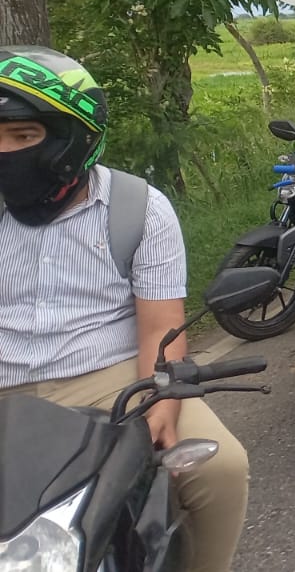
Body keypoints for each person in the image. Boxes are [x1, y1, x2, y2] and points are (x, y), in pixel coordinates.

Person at [0, 46, 250, 572]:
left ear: (74, 138)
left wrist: (162, 406)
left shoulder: (138, 208)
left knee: (221, 466)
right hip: (5, 389)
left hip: (111, 380)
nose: (5, 151)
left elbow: (161, 329)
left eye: (22, 136)